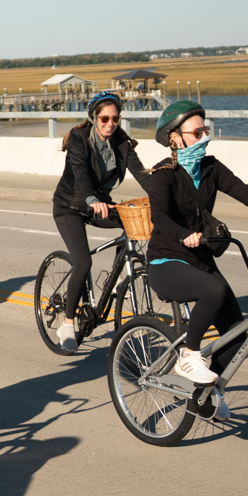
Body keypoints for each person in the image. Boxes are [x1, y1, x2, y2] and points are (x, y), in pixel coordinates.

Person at [142, 100, 248, 397]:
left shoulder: (211, 168)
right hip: (166, 260)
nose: (204, 137)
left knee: (237, 338)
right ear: (175, 138)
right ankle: (188, 355)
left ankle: (205, 397)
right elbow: (160, 217)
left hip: (200, 259)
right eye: (197, 133)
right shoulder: (163, 175)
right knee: (214, 290)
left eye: (205, 130)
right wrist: (183, 234)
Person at [49, 91, 144, 349]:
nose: (110, 124)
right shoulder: (79, 138)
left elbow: (142, 174)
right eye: (105, 119)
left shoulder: (121, 143)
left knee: (132, 225)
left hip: (99, 205)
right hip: (70, 207)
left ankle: (116, 282)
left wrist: (162, 196)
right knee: (83, 262)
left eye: (115, 119)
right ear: (94, 118)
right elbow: (80, 170)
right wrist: (91, 198)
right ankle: (68, 324)